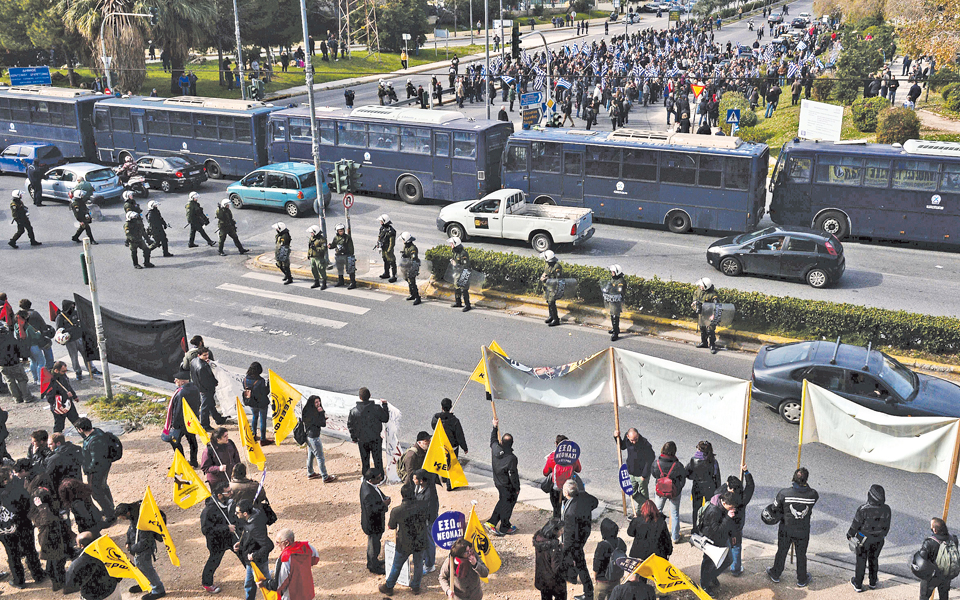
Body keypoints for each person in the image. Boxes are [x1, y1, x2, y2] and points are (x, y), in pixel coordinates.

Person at [767, 467, 819, 587]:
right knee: (801, 555)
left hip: (786, 529)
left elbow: (774, 508)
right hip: (803, 530)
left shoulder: (784, 493)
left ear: (793, 479)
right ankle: (802, 579)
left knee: (781, 552)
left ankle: (776, 573)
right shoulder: (813, 494)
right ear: (806, 480)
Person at [0, 467, 45, 589]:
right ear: (6, 479)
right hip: (22, 526)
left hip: (4, 530)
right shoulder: (18, 489)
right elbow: (28, 506)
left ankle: (19, 580)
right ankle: (38, 575)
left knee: (12, 554)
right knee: (29, 550)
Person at [379, 484, 426, 595]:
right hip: (420, 540)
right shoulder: (423, 506)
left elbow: (391, 526)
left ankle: (389, 586)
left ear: (402, 495)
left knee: (397, 565)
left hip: (404, 542)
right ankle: (416, 587)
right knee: (418, 564)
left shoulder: (397, 511)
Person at [115, 502, 165, 600]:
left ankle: (158, 590)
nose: (122, 519)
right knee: (139, 566)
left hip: (143, 550)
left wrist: (131, 548)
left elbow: (145, 542)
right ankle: (145, 583)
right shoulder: (134, 515)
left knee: (146, 568)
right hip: (137, 547)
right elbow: (131, 529)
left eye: (122, 517)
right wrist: (128, 541)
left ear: (127, 513)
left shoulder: (141, 520)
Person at [847, 484, 890, 592]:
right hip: (878, 540)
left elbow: (855, 525)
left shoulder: (863, 509)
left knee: (861, 561)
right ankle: (873, 582)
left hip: (863, 540)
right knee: (874, 559)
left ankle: (858, 584)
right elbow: (887, 527)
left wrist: (849, 535)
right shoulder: (886, 509)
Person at [76, 417, 119, 525]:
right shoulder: (97, 433)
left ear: (80, 429)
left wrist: (88, 469)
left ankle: (110, 515)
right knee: (103, 487)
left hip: (96, 471)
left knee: (96, 493)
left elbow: (96, 461)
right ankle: (110, 508)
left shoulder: (94, 441)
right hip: (103, 468)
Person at [561, 479, 598, 600]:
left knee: (580, 564)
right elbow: (595, 502)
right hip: (584, 532)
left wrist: (564, 549)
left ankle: (588, 593)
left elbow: (569, 535)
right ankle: (571, 576)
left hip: (575, 540)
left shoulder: (571, 513)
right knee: (573, 559)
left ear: (567, 493)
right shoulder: (584, 496)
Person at [258, 529, 319, 600]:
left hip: (292, 596)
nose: (276, 545)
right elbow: (315, 560)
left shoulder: (285, 558)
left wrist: (264, 584)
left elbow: (278, 585)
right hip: (307, 593)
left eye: (278, 542)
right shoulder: (307, 546)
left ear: (286, 543)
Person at [713, 470, 753, 576]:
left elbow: (716, 492)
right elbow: (750, 486)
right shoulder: (743, 498)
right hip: (736, 528)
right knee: (736, 547)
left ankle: (723, 565)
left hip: (724, 525)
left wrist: (726, 484)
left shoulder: (723, 497)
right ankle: (735, 569)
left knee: (723, 546)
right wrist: (746, 473)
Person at [485, 418, 520, 536]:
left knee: (503, 501)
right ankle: (504, 525)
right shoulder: (511, 458)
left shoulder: (495, 448)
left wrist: (494, 427)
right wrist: (516, 488)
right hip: (507, 485)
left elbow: (493, 439)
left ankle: (494, 522)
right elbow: (513, 475)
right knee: (507, 504)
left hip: (498, 481)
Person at [234, 498, 274, 600]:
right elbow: (249, 534)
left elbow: (269, 545)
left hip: (257, 562)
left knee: (267, 585)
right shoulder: (256, 514)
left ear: (245, 513)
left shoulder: (254, 527)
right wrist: (241, 543)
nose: (236, 514)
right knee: (249, 585)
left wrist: (254, 555)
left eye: (237, 512)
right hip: (251, 562)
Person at [200, 482, 236, 594]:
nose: (231, 493)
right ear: (220, 495)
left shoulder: (229, 502)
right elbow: (206, 530)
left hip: (230, 538)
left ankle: (257, 575)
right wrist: (226, 528)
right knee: (214, 561)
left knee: (244, 554)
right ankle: (207, 583)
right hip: (216, 542)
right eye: (228, 492)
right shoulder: (208, 511)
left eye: (231, 490)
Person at [65, 531, 122, 600]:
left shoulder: (76, 564)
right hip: (112, 590)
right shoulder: (108, 551)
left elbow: (69, 585)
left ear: (82, 546)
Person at [32, 487, 69, 592]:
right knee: (55, 564)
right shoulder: (39, 511)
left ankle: (58, 583)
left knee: (56, 563)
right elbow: (45, 520)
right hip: (49, 540)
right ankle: (59, 583)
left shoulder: (50, 507)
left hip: (53, 539)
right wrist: (42, 508)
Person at [698, 491, 736, 594]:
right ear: (724, 503)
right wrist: (728, 517)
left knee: (728, 560)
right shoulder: (713, 511)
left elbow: (727, 525)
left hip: (722, 539)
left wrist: (732, 535)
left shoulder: (723, 506)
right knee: (708, 563)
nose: (732, 509)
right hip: (711, 541)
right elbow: (716, 531)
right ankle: (704, 584)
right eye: (731, 507)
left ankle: (711, 576)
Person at [347, 388, 390, 474]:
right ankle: (380, 477)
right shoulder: (377, 408)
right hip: (375, 439)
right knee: (378, 460)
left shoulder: (354, 411)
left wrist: (354, 438)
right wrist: (384, 405)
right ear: (370, 396)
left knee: (365, 460)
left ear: (360, 397)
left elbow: (350, 426)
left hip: (362, 440)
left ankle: (367, 478)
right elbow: (385, 418)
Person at [918, 517, 960, 600]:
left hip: (932, 577)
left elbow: (922, 558)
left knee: (924, 596)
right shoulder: (953, 539)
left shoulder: (929, 542)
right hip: (946, 574)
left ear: (934, 530)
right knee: (944, 595)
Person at [165, 370, 200, 466]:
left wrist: (174, 425)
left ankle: (182, 462)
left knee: (174, 441)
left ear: (182, 382)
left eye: (176, 380)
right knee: (192, 441)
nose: (175, 381)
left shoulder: (181, 393)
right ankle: (194, 461)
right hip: (192, 420)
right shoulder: (195, 388)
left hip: (181, 423)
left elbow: (178, 411)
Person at [431, 397, 467, 491]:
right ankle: (450, 485)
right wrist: (465, 447)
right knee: (451, 464)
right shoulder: (454, 420)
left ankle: (443, 477)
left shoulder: (436, 417)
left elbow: (433, 426)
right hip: (452, 446)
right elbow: (460, 436)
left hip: (440, 444)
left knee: (443, 461)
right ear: (450, 407)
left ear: (442, 407)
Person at [653, 441, 686, 544]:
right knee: (675, 513)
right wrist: (678, 489)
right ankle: (675, 537)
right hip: (674, 491)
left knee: (657, 512)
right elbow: (683, 479)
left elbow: (654, 474)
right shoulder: (677, 465)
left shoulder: (657, 463)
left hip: (660, 490)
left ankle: (655, 534)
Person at [686, 440, 721, 535]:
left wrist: (695, 477)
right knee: (709, 509)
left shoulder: (693, 460)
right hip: (710, 487)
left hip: (697, 487)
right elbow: (717, 477)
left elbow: (687, 473)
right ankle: (707, 528)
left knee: (696, 508)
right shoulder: (713, 461)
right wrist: (718, 491)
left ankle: (695, 528)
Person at [544, 435, 582, 519]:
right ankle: (567, 520)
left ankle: (556, 524)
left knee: (556, 508)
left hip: (556, 487)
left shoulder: (551, 457)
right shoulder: (573, 456)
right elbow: (579, 469)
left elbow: (545, 473)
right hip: (569, 487)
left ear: (556, 444)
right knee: (569, 506)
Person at [56, 300, 94, 381]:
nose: (73, 308)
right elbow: (59, 330)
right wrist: (71, 329)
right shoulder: (60, 317)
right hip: (70, 341)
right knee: (74, 357)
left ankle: (91, 369)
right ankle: (78, 372)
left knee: (86, 354)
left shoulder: (76, 313)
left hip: (80, 337)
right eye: (71, 307)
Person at [361, 468, 390, 574]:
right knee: (374, 545)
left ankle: (374, 561)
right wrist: (384, 504)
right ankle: (373, 566)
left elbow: (377, 492)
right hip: (373, 524)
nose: (381, 479)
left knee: (374, 544)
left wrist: (383, 498)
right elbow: (372, 511)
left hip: (374, 523)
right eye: (378, 478)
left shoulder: (368, 485)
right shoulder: (368, 493)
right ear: (370, 480)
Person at [617, 428, 653, 511]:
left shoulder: (645, 444)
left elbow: (650, 458)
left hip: (641, 474)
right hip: (631, 473)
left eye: (636, 439)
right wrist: (616, 437)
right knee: (631, 492)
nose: (634, 442)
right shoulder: (627, 440)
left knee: (644, 494)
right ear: (627, 436)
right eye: (632, 440)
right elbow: (622, 446)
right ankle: (646, 504)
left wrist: (644, 475)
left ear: (638, 435)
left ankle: (642, 513)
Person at [302, 395, 336, 482]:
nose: (318, 404)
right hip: (314, 438)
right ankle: (325, 477)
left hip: (309, 437)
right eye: (316, 402)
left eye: (319, 401)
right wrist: (321, 413)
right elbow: (322, 424)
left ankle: (310, 472)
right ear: (312, 403)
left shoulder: (307, 411)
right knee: (320, 457)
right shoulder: (314, 413)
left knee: (311, 456)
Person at [191, 348, 226, 430]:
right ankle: (204, 425)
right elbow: (207, 380)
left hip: (198, 386)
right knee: (205, 407)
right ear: (199, 355)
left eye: (207, 354)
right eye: (205, 355)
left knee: (210, 404)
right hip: (206, 389)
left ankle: (218, 419)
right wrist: (215, 383)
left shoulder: (194, 361)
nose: (207, 357)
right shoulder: (202, 367)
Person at [0, 321, 34, 404]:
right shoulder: (10, 339)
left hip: (3, 365)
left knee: (10, 381)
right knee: (22, 380)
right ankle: (27, 397)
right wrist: (24, 358)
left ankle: (17, 399)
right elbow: (20, 349)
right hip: (15, 363)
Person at [413, 469, 440, 573]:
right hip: (421, 521)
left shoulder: (429, 494)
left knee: (429, 542)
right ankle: (425, 559)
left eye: (415, 478)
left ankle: (430, 565)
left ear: (421, 481)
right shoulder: (419, 487)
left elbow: (429, 511)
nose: (413, 480)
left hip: (427, 521)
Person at [594, 518, 627, 600]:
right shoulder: (620, 542)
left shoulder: (602, 545)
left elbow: (596, 564)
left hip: (603, 581)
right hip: (616, 579)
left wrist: (595, 577)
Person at [43, 361, 80, 433]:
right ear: (56, 370)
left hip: (68, 403)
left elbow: (68, 386)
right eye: (63, 371)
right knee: (59, 426)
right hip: (58, 406)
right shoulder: (49, 381)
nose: (65, 373)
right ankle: (57, 441)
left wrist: (74, 396)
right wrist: (66, 395)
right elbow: (50, 398)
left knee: (77, 422)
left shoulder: (62, 375)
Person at [534, 519, 566, 600]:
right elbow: (556, 568)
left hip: (542, 580)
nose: (562, 532)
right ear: (554, 531)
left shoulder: (539, 541)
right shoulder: (554, 547)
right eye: (560, 530)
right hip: (555, 583)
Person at [242, 362, 271, 444]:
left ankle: (254, 434)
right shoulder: (260, 381)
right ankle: (263, 439)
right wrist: (269, 383)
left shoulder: (245, 379)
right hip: (261, 403)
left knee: (254, 417)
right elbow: (266, 392)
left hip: (251, 402)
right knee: (262, 420)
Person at [692, 277, 720, 353]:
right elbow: (695, 295)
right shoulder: (699, 290)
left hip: (709, 314)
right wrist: (695, 302)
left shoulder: (713, 295)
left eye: (701, 285)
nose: (700, 286)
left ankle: (712, 345)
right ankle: (704, 342)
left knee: (710, 330)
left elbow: (716, 306)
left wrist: (713, 315)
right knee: (702, 329)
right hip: (702, 314)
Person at [329, 223, 357, 289]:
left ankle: (353, 283)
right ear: (337, 231)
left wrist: (350, 255)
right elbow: (333, 245)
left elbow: (351, 248)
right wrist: (330, 246)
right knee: (340, 269)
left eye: (342, 230)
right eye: (340, 231)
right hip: (339, 255)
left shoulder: (347, 238)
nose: (341, 232)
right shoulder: (336, 238)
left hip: (346, 255)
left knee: (350, 270)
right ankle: (341, 281)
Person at [539, 250, 563, 327]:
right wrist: (543, 276)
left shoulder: (557, 267)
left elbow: (558, 279)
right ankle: (551, 316)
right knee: (548, 301)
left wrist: (547, 278)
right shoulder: (547, 264)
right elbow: (546, 272)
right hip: (547, 286)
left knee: (551, 302)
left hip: (553, 287)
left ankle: (556, 319)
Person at [449, 236, 473, 311]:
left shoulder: (463, 254)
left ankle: (467, 305)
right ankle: (458, 302)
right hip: (457, 273)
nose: (450, 244)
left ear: (455, 244)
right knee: (456, 287)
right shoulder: (455, 251)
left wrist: (455, 264)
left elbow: (465, 266)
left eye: (451, 243)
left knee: (464, 289)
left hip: (463, 273)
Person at [399, 232, 422, 305]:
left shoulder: (413, 248)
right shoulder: (406, 246)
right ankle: (412, 294)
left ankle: (417, 297)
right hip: (407, 266)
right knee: (408, 280)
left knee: (412, 282)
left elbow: (414, 259)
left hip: (412, 266)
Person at [306, 225, 329, 290]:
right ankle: (316, 282)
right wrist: (308, 254)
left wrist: (316, 248)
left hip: (319, 257)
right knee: (313, 269)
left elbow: (323, 249)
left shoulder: (322, 239)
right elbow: (309, 247)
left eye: (312, 232)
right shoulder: (312, 238)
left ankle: (324, 283)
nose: (311, 234)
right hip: (313, 257)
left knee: (321, 269)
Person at [377, 214, 398, 282]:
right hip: (383, 247)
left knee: (391, 261)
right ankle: (386, 273)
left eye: (381, 221)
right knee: (385, 260)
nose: (380, 222)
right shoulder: (382, 228)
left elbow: (392, 243)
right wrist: (378, 244)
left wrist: (389, 250)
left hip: (388, 248)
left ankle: (394, 276)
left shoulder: (391, 231)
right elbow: (380, 236)